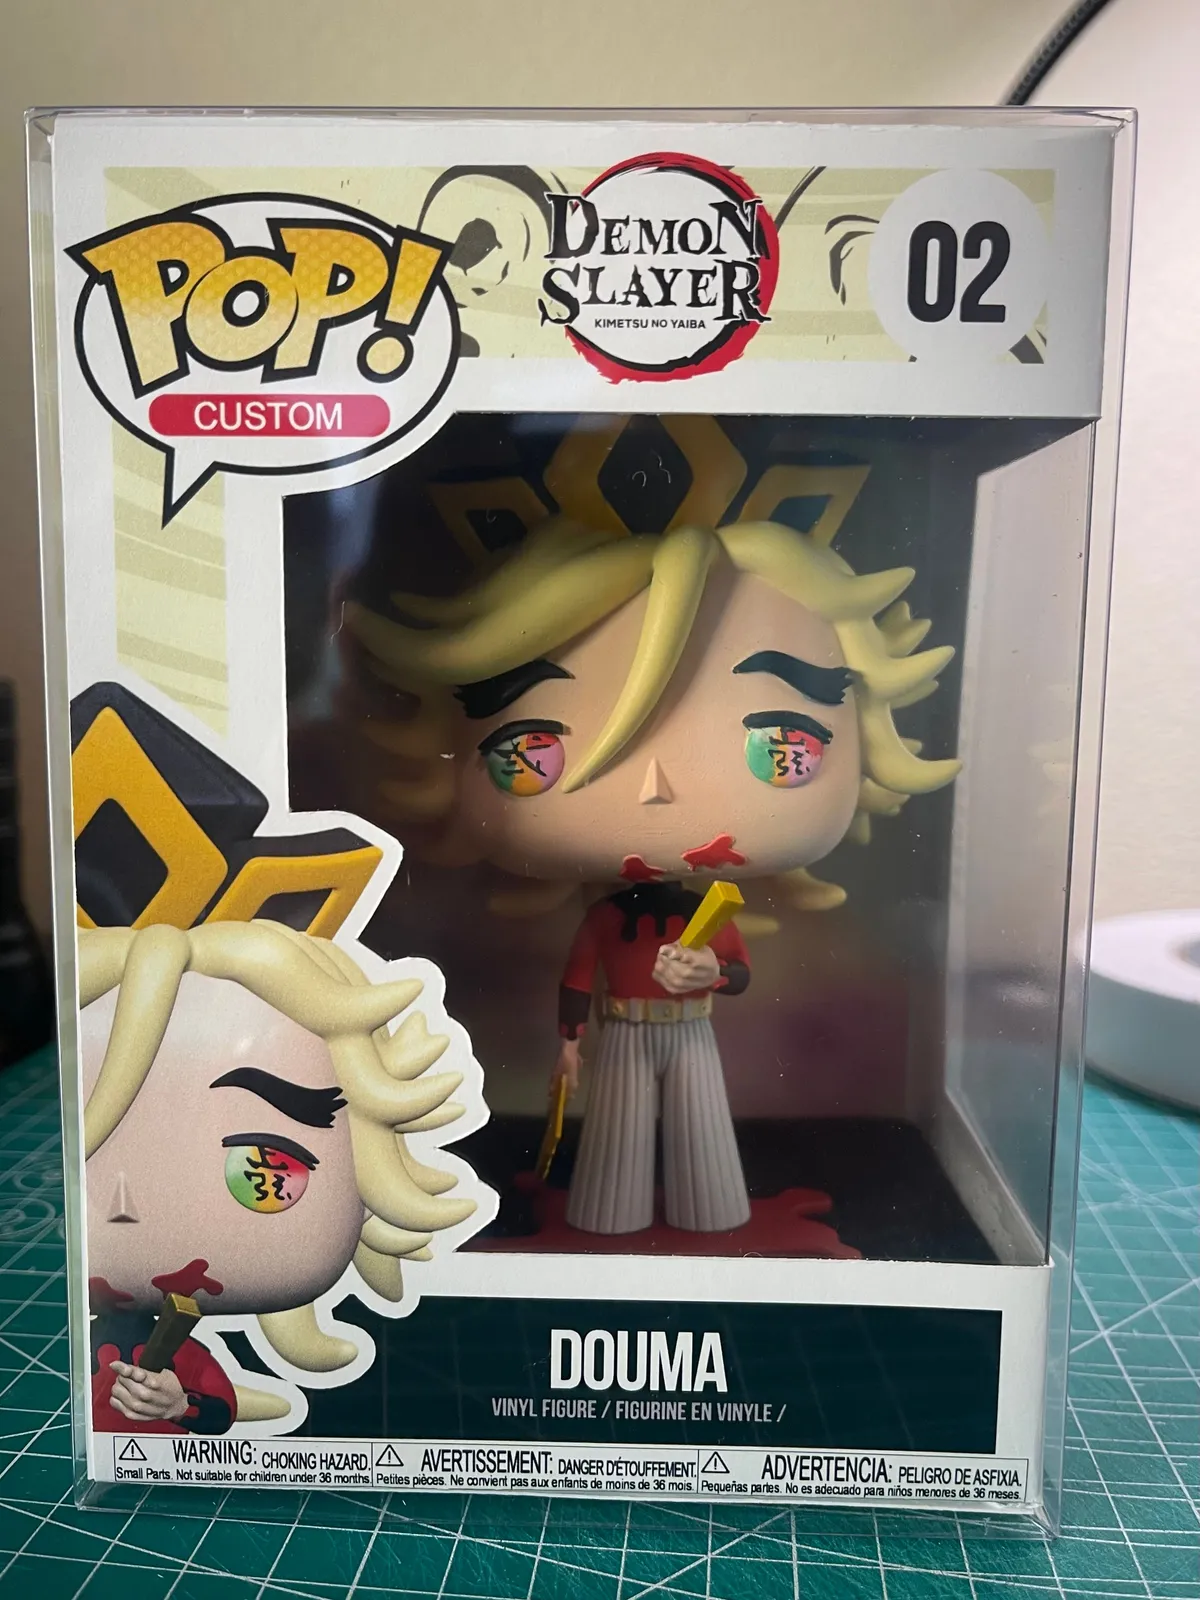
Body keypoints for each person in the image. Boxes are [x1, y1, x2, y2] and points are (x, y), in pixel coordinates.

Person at [348, 417, 960, 1235]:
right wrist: (570, 1041)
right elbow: (578, 977)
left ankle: (717, 1217)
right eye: (533, 748)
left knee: (707, 1133)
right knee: (617, 1135)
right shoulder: (604, 921)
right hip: (622, 1030)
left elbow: (737, 973)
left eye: (780, 744)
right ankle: (605, 1220)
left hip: (691, 1028)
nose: (655, 786)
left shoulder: (726, 924)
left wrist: (711, 971)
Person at [80, 918, 478, 1430]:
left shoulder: (180, 1357)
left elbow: (217, 1407)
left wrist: (180, 1405)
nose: (123, 1205)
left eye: (258, 1157)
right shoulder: (70, 1339)